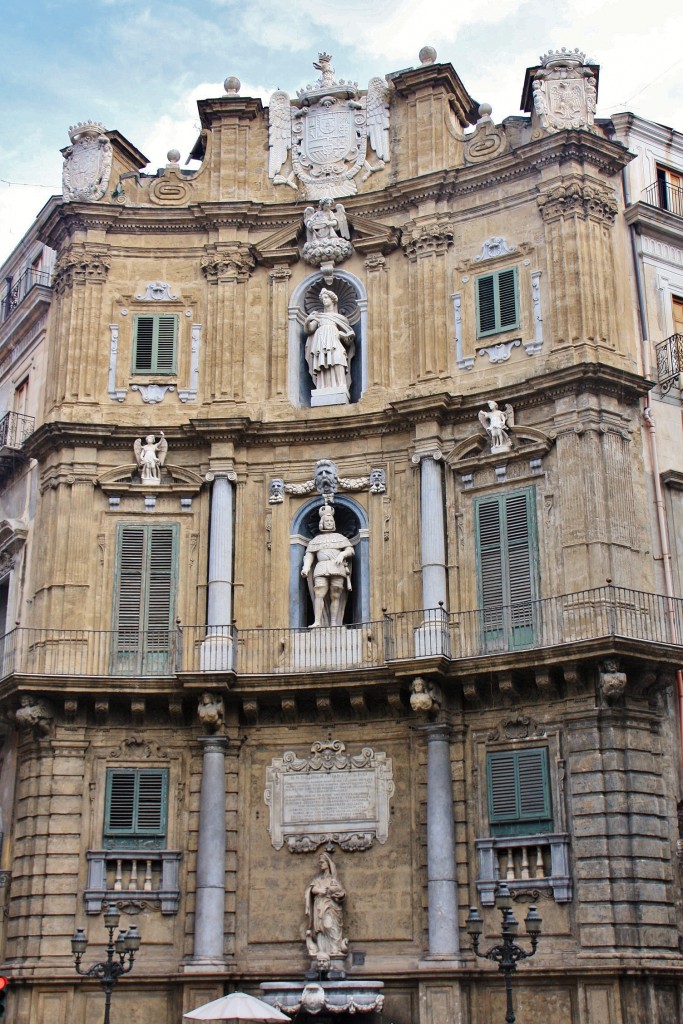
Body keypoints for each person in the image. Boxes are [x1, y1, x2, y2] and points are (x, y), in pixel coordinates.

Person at [301, 504, 353, 627]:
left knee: (335, 594)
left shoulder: (340, 537)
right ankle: (317, 621)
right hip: (320, 567)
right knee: (319, 593)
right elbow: (309, 555)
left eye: (331, 521)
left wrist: (342, 555)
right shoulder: (316, 540)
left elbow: (351, 550)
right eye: (327, 521)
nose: (329, 523)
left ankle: (334, 622)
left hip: (337, 567)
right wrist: (306, 567)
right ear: (321, 523)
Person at [304, 289, 355, 394]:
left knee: (337, 358)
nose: (324, 300)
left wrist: (345, 336)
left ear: (333, 300)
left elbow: (349, 334)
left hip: (334, 339)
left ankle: (340, 384)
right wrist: (308, 320)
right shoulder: (318, 316)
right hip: (321, 340)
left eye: (326, 298)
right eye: (323, 298)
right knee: (322, 361)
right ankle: (322, 386)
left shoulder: (340, 318)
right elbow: (309, 330)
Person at [304, 852, 348, 958]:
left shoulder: (333, 880)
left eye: (322, 862)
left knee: (330, 926)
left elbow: (341, 893)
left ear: (328, 863)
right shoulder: (319, 880)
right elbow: (312, 888)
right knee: (320, 928)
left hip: (331, 907)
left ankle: (335, 948)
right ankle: (322, 950)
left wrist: (338, 895)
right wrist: (319, 890)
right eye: (320, 862)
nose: (320, 863)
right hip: (319, 907)